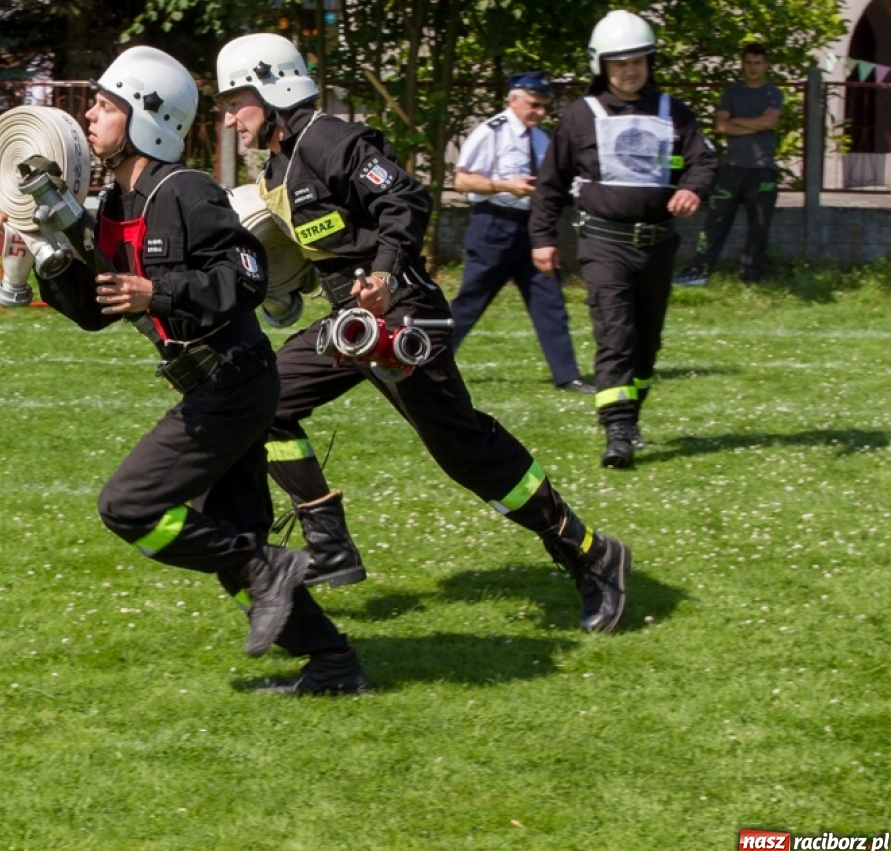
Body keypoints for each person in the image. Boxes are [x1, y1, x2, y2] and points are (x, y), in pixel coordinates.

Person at [0, 45, 369, 695]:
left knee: (130, 506)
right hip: (216, 386)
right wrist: (40, 245)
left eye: (106, 105)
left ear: (147, 117)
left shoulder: (185, 191)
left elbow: (246, 277)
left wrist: (155, 294)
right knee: (232, 541)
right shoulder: (113, 205)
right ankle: (334, 663)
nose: (90, 116)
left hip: (236, 381)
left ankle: (269, 568)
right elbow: (95, 310)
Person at [217, 32, 630, 634]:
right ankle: (328, 542)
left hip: (404, 310)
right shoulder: (280, 164)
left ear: (272, 89)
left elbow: (405, 198)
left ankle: (589, 552)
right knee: (266, 401)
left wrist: (383, 275)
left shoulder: (327, 139)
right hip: (351, 318)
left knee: (464, 450)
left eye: (235, 104)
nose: (229, 119)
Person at [531, 11, 717, 468]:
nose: (630, 70)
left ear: (650, 62)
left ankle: (631, 418)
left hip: (657, 244)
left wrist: (693, 189)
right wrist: (542, 237)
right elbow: (551, 183)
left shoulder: (675, 112)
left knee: (646, 343)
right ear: (602, 66)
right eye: (620, 63)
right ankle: (615, 430)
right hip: (603, 244)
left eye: (637, 61)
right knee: (616, 335)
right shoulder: (580, 116)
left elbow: (704, 161)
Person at [449, 72, 591, 392]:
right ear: (513, 99)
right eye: (534, 105)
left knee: (550, 302)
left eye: (544, 107)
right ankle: (427, 363)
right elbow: (462, 181)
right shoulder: (491, 131)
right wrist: (505, 186)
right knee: (469, 302)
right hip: (494, 224)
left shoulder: (541, 138)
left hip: (533, 228)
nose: (540, 112)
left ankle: (567, 376)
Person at [676, 45, 782, 286]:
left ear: (766, 65)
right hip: (732, 168)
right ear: (742, 64)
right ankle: (698, 271)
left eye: (758, 62)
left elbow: (770, 122)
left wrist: (738, 122)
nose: (753, 67)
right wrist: (756, 123)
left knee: (759, 226)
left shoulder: (773, 93)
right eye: (749, 62)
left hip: (762, 168)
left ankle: (751, 276)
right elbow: (721, 126)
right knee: (715, 221)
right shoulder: (732, 93)